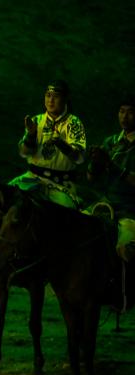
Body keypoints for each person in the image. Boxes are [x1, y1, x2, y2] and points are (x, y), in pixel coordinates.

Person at [9, 79, 87, 208]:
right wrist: (31, 134)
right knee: (4, 198)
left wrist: (62, 145)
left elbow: (79, 159)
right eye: (48, 95)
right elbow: (23, 153)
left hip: (60, 184)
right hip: (32, 178)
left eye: (56, 97)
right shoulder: (37, 120)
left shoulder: (74, 123)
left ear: (65, 98)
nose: (50, 100)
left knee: (66, 214)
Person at [88, 93, 135, 259]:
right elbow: (91, 179)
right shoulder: (110, 142)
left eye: (130, 112)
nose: (125, 117)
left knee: (125, 250)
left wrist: (110, 165)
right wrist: (94, 162)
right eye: (122, 111)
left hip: (130, 212)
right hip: (105, 205)